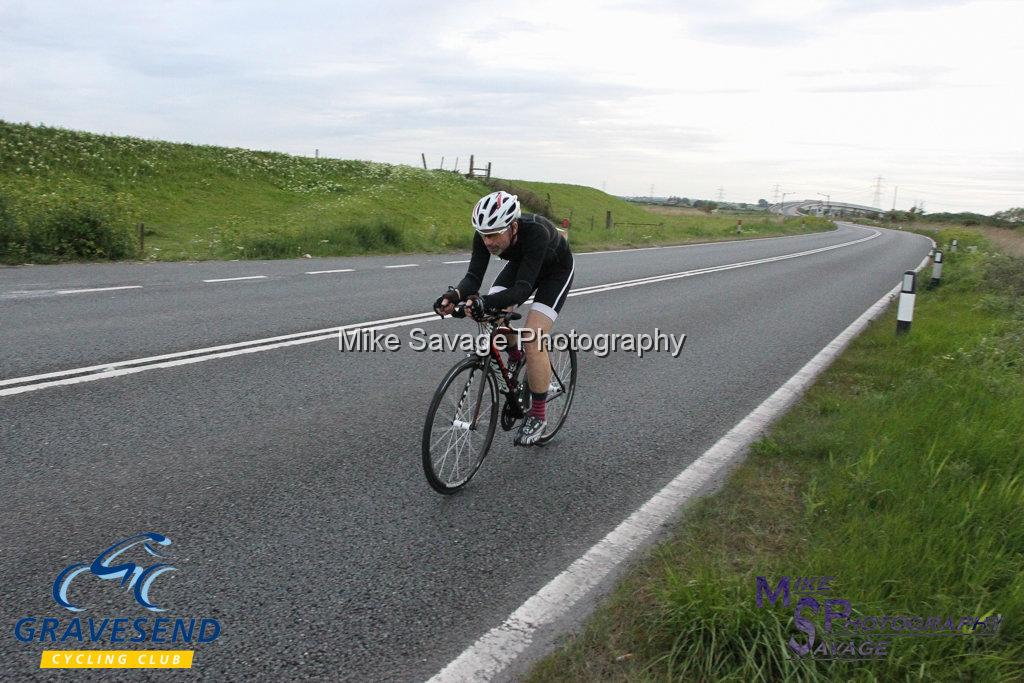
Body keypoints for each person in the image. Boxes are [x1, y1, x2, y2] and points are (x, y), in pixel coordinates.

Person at [433, 190, 575, 446]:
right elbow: (473, 278)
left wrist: (482, 301)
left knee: (533, 337)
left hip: (555, 271)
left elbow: (522, 289)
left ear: (513, 226)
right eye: (484, 235)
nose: (488, 242)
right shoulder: (485, 236)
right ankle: (516, 354)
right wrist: (453, 295)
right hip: (522, 267)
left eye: (495, 234)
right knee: (488, 316)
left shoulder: (536, 232)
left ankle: (538, 416)